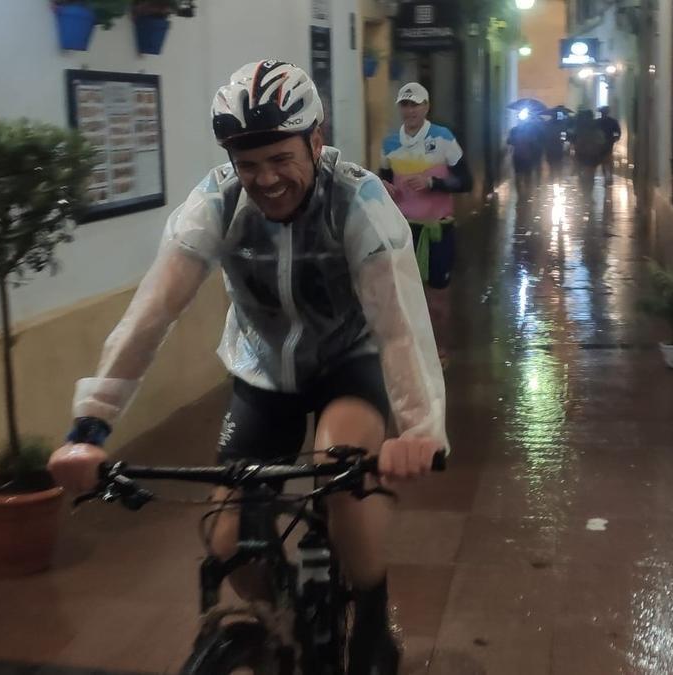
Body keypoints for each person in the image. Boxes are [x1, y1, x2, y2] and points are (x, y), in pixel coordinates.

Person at [47, 60, 447, 675]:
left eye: (281, 158)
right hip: (263, 372)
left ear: (316, 140)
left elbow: (400, 327)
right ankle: (285, 615)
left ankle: (370, 615)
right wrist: (89, 428)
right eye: (248, 162)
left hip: (348, 364)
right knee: (228, 539)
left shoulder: (361, 202)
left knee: (342, 485)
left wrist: (419, 432)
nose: (265, 179)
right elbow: (152, 314)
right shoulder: (216, 203)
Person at [377, 83, 472, 368]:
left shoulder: (443, 138)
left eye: (415, 104)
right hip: (404, 230)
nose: (410, 110)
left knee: (438, 297)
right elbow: (382, 181)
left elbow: (466, 181)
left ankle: (439, 348)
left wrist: (433, 183)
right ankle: (411, 350)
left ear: (426, 106)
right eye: (405, 105)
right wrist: (383, 186)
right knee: (404, 296)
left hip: (437, 230)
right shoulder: (390, 144)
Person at [597, 106, 622, 185]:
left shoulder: (598, 122)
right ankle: (609, 176)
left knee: (604, 160)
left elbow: (618, 132)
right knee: (608, 160)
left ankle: (606, 177)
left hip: (602, 144)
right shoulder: (613, 121)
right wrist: (616, 138)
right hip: (608, 143)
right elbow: (618, 132)